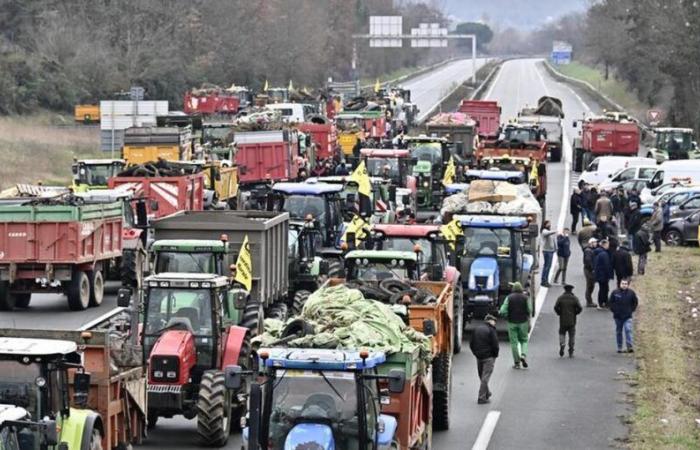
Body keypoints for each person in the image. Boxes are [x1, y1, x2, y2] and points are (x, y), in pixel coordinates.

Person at [499, 282, 532, 369]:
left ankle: (517, 362)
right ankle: (523, 355)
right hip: (523, 322)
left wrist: (506, 315)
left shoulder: (509, 298)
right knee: (524, 340)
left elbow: (502, 311)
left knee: (514, 343)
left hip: (512, 322)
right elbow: (530, 310)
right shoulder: (525, 298)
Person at [469, 314, 499, 404]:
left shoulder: (477, 329)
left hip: (479, 357)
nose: (495, 323)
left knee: (482, 376)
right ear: (490, 321)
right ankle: (481, 398)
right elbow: (495, 345)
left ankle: (487, 393)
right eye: (494, 321)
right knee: (485, 378)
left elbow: (471, 343)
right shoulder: (491, 330)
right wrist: (495, 355)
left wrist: (475, 353)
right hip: (489, 357)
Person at [609, 279, 638, 353]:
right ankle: (619, 346)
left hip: (627, 316)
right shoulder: (615, 293)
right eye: (623, 283)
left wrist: (631, 310)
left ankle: (630, 346)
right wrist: (614, 310)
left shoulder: (631, 293)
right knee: (619, 331)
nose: (624, 285)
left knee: (628, 330)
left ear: (628, 285)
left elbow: (635, 302)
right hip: (618, 316)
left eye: (625, 284)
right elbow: (610, 302)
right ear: (620, 284)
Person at [554, 284, 583, 357]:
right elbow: (580, 308)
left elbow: (556, 307)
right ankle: (571, 350)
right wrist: (575, 313)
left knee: (562, 333)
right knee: (571, 335)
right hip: (572, 320)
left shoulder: (560, 298)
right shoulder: (574, 298)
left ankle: (562, 344)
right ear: (571, 290)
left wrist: (559, 313)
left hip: (562, 320)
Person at [594, 239, 614, 308]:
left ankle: (603, 302)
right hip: (603, 275)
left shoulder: (599, 252)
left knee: (603, 289)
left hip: (600, 274)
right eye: (608, 244)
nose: (608, 246)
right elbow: (607, 265)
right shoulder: (604, 254)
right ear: (604, 245)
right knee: (604, 289)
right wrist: (610, 275)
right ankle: (602, 303)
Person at [540, 220, 557, 287]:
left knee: (548, 266)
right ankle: (544, 280)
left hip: (551, 251)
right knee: (547, 266)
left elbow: (553, 240)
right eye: (548, 223)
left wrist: (555, 248)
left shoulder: (549, 232)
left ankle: (545, 280)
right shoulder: (544, 231)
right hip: (547, 251)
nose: (549, 224)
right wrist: (555, 231)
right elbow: (547, 233)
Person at [583, 238, 598, 307]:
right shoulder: (588, 251)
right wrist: (592, 269)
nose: (596, 244)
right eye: (594, 242)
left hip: (589, 270)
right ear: (591, 243)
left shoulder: (591, 250)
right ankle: (589, 302)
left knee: (591, 285)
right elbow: (588, 261)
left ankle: (589, 301)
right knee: (590, 286)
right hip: (589, 270)